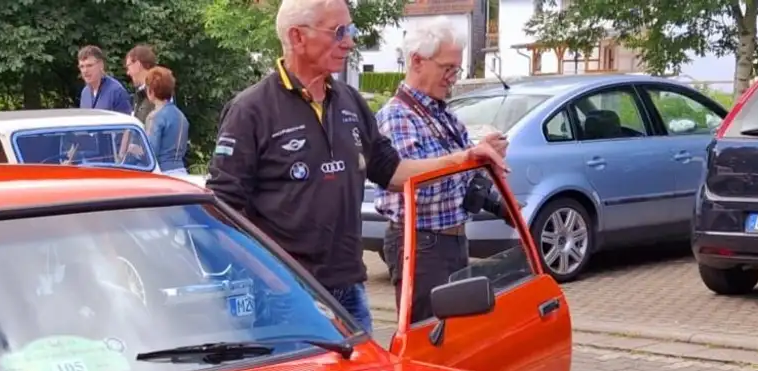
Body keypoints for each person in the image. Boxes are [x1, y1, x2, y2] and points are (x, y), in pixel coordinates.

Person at [206, 0, 506, 335]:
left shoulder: (349, 101)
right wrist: (270, 279)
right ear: (297, 37)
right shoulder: (251, 110)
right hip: (284, 297)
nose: (349, 41)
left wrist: (465, 159)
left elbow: (394, 173)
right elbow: (218, 212)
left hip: (349, 289)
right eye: (339, 32)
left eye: (351, 30)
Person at [376, 18, 509, 322]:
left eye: (456, 70)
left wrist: (483, 157)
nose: (453, 78)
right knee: (428, 342)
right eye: (447, 68)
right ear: (417, 61)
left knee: (455, 338)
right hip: (422, 245)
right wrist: (466, 158)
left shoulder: (442, 114)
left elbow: (465, 181)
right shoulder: (397, 116)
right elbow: (417, 187)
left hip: (452, 241)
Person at [144, 66, 190, 175]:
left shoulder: (154, 117)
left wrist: (135, 149)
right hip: (182, 171)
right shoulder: (181, 116)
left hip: (163, 173)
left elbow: (151, 152)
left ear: (151, 91)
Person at [77, 46, 134, 114]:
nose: (85, 71)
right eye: (82, 66)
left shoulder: (116, 92)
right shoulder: (85, 93)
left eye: (89, 65)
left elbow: (125, 122)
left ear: (101, 65)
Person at [126, 45, 158, 125]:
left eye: (128, 67)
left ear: (137, 64)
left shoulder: (157, 92)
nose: (128, 73)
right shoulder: (141, 93)